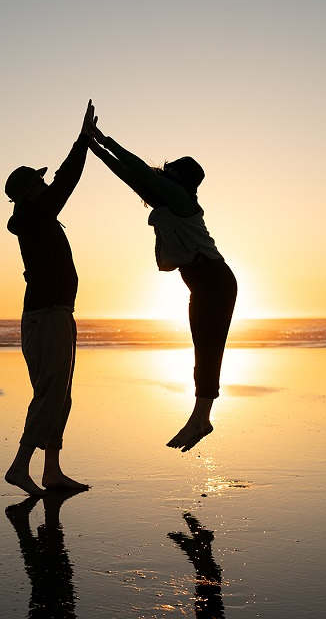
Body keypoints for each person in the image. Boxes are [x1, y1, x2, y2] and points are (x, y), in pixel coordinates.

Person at [83, 108, 237, 452]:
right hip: (205, 283)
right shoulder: (167, 202)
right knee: (202, 349)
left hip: (215, 280)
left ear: (181, 179)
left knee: (209, 349)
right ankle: (201, 419)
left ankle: (200, 419)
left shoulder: (182, 200)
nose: (163, 175)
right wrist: (95, 149)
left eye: (170, 172)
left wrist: (106, 139)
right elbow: (131, 178)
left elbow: (139, 170)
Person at [3, 101, 96, 495]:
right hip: (48, 315)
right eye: (38, 182)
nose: (45, 184)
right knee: (50, 393)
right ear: (30, 192)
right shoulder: (36, 216)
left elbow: (57, 185)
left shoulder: (35, 218)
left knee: (61, 395)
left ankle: (52, 470)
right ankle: (20, 466)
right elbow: (65, 181)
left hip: (55, 314)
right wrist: (83, 141)